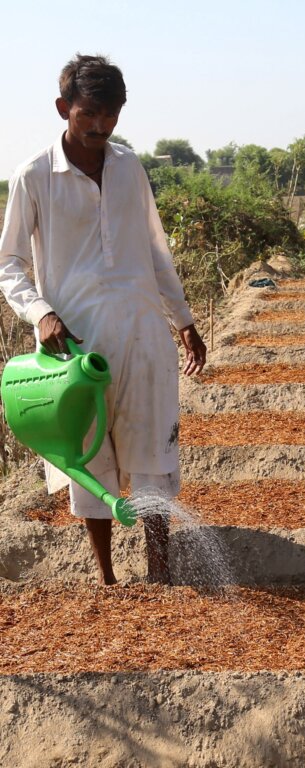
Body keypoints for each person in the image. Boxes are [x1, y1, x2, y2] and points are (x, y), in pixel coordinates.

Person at [0, 54, 207, 586]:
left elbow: (155, 249)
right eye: (89, 113)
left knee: (153, 454)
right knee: (90, 462)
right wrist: (41, 313)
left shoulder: (128, 166)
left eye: (110, 114)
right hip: (76, 348)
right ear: (63, 107)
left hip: (142, 337)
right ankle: (108, 578)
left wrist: (182, 319)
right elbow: (9, 263)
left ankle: (161, 572)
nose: (99, 126)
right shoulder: (34, 177)